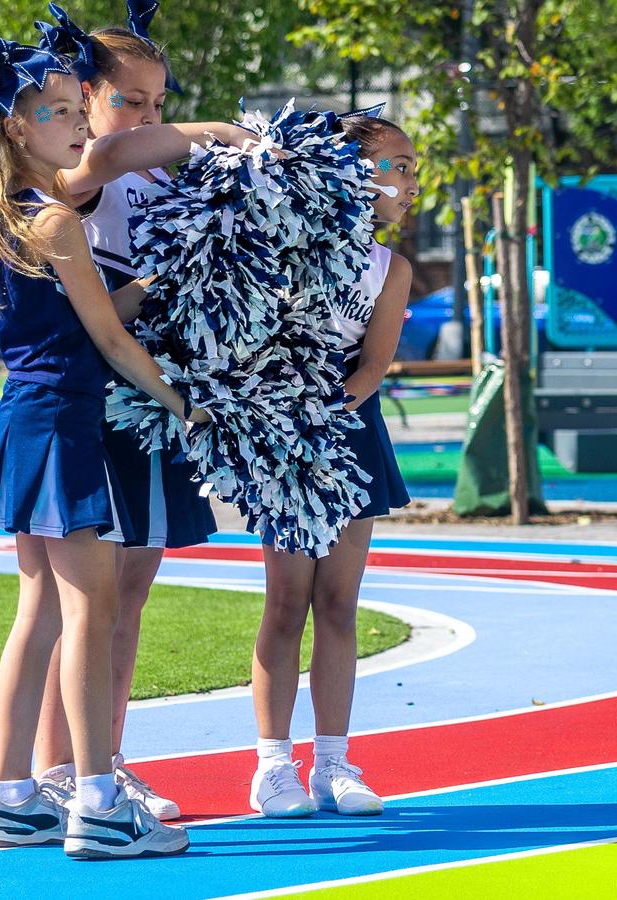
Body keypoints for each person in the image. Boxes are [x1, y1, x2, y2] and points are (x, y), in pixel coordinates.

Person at [0, 36, 247, 859]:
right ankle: (99, 800)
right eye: (59, 114)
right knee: (92, 610)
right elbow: (112, 342)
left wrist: (165, 271)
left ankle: (10, 793)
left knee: (38, 613)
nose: (82, 129)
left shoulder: (3, 213)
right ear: (15, 129)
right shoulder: (54, 219)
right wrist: (182, 401)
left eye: (79, 111)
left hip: (25, 417)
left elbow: (87, 316)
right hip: (67, 425)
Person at [246, 112, 415, 818]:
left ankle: (335, 763)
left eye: (412, 169)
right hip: (287, 436)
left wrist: (331, 409)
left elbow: (373, 364)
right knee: (287, 602)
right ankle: (272, 767)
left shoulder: (391, 267)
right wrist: (291, 418)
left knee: (339, 605)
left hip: (346, 434)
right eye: (395, 166)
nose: (408, 182)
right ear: (346, 174)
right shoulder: (284, 249)